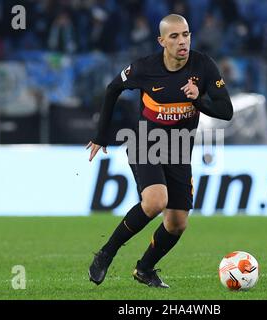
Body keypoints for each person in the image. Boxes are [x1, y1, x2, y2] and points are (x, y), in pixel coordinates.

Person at [86, 14, 233, 288]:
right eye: (174, 36)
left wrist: (198, 100)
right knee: (155, 201)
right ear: (161, 41)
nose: (182, 41)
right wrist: (100, 135)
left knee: (177, 223)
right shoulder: (145, 68)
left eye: (186, 35)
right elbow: (112, 88)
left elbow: (226, 111)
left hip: (178, 150)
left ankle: (145, 269)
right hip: (146, 142)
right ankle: (106, 253)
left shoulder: (203, 65)